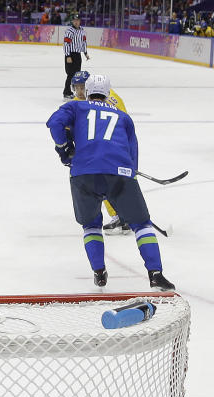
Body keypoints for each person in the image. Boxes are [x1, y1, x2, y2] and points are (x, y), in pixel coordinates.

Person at [46, 74, 175, 291]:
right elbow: (133, 152)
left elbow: (55, 123)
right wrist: (129, 175)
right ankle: (156, 274)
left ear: (86, 91)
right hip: (120, 174)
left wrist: (64, 148)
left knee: (91, 225)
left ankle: (99, 273)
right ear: (108, 94)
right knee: (142, 225)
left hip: (83, 173)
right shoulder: (124, 117)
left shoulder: (76, 107)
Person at [68, 70, 131, 235]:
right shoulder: (77, 103)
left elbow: (123, 122)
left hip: (112, 148)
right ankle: (122, 214)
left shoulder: (111, 99)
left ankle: (121, 214)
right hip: (93, 151)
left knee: (108, 183)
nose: (80, 92)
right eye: (77, 88)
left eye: (83, 88)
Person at [62, 14, 90, 99]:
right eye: (75, 20)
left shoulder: (82, 30)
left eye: (78, 20)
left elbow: (84, 42)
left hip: (78, 55)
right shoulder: (69, 31)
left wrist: (85, 53)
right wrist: (68, 56)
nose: (76, 22)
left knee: (77, 75)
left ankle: (75, 92)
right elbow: (66, 44)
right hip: (71, 55)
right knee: (70, 74)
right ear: (72, 21)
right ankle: (66, 93)